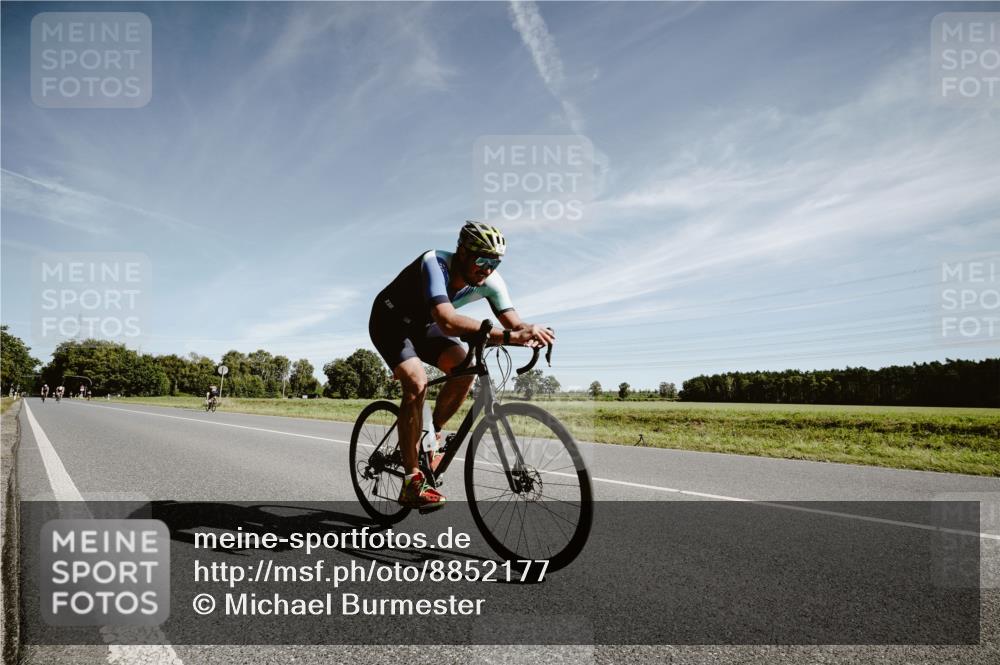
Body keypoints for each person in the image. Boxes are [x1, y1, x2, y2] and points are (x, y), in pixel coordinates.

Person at [369, 221, 554, 510]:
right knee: (416, 383)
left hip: (425, 327)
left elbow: (515, 325)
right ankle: (411, 482)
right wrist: (509, 336)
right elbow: (447, 320)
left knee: (463, 373)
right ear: (462, 252)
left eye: (495, 261)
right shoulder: (436, 262)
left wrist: (534, 333)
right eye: (482, 258)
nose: (487, 268)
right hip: (391, 322)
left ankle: (432, 436)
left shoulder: (492, 282)